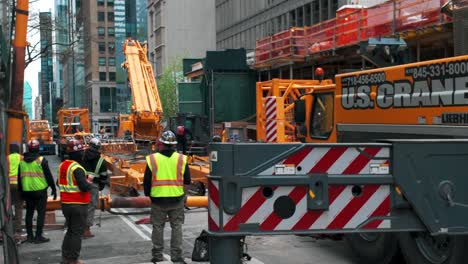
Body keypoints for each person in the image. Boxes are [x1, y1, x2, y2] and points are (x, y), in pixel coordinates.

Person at [144, 131, 191, 264]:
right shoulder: (182, 159)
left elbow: (147, 181)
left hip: (158, 199)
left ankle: (157, 256)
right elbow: (187, 181)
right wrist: (184, 196)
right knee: (177, 227)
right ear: (174, 144)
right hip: (176, 198)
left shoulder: (152, 159)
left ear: (162, 144)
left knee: (158, 227)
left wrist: (149, 196)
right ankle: (176, 256)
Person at [59, 139, 92, 264]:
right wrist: (89, 181)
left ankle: (66, 257)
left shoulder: (63, 165)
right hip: (78, 204)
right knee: (77, 233)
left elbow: (59, 183)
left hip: (66, 204)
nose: (83, 154)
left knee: (70, 231)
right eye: (82, 152)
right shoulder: (77, 168)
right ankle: (73, 259)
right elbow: (84, 187)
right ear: (78, 154)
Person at [18, 139, 57, 243]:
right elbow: (48, 176)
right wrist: (53, 189)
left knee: (29, 213)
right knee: (40, 213)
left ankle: (30, 236)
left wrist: (21, 191)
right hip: (40, 191)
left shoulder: (21, 161)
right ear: (38, 148)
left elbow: (19, 178)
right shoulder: (41, 160)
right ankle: (38, 236)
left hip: (27, 191)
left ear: (28, 148)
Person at [81, 137, 108, 238]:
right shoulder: (102, 161)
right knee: (90, 207)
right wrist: (100, 186)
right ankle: (86, 230)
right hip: (93, 186)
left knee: (80, 206)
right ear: (98, 148)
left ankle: (77, 227)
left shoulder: (82, 156)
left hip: (81, 184)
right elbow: (104, 176)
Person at [8, 142, 23, 236]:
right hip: (18, 184)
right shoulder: (21, 158)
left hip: (9, 184)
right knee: (18, 206)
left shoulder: (7, 158)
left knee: (8, 205)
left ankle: (7, 226)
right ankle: (17, 229)